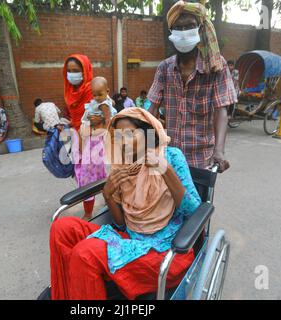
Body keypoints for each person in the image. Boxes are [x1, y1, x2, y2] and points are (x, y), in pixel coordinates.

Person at [49, 107, 202, 300]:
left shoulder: (171, 156)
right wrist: (108, 194)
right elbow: (122, 223)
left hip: (165, 251)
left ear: (148, 133)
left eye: (130, 134)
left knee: (85, 253)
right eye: (119, 137)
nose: (124, 143)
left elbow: (195, 211)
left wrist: (165, 169)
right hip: (130, 240)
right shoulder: (122, 165)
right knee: (61, 227)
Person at [148, 1, 237, 172]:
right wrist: (149, 147)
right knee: (168, 198)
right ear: (171, 32)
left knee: (199, 199)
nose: (183, 33)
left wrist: (219, 151)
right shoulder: (164, 68)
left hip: (202, 159)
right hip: (170, 156)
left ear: (200, 29)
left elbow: (221, 110)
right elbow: (151, 111)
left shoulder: (216, 67)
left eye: (189, 26)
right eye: (178, 28)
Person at [73, 77, 116, 221]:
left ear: (107, 91)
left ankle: (90, 212)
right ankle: (102, 206)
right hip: (92, 142)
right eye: (94, 94)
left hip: (96, 144)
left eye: (100, 94)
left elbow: (109, 122)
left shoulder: (103, 105)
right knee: (101, 177)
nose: (96, 98)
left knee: (90, 179)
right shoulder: (103, 100)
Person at [62, 54, 97, 218]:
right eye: (68, 70)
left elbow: (93, 118)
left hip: (90, 137)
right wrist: (70, 123)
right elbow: (76, 115)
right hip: (77, 135)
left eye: (76, 70)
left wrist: (83, 144)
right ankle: (89, 202)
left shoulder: (92, 89)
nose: (71, 74)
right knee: (82, 174)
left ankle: (88, 213)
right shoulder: (70, 89)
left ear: (85, 71)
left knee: (87, 176)